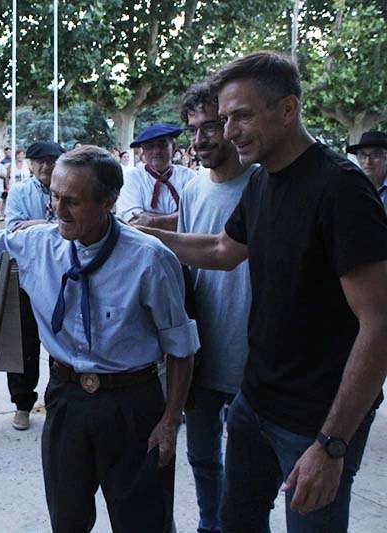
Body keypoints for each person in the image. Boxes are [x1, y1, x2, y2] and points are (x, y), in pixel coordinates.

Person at [0, 145, 199, 532]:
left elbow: (181, 347)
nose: (58, 211)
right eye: (55, 197)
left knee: (144, 521)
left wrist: (169, 421)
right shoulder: (37, 244)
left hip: (133, 404)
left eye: (73, 202)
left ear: (108, 202)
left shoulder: (150, 259)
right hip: (66, 401)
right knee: (67, 519)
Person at [140, 52, 387, 532]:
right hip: (255, 404)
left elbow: (379, 323)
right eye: (225, 118)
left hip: (316, 421)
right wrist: (138, 235)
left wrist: (332, 443)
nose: (229, 131)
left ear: (288, 109)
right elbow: (221, 249)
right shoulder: (263, 181)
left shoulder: (341, 189)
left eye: (242, 116)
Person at [174, 82, 257, 533]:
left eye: (210, 127)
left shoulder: (262, 183)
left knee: (250, 473)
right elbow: (189, 267)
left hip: (254, 356)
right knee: (202, 457)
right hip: (204, 352)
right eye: (193, 130)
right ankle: (210, 524)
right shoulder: (191, 190)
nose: (200, 139)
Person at [3, 141, 65, 430]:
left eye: (52, 159)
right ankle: (22, 405)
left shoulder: (68, 188)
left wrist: (34, 225)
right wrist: (54, 225)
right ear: (30, 163)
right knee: (24, 341)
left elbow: (77, 224)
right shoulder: (20, 192)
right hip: (27, 274)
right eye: (40, 160)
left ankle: (57, 402)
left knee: (61, 338)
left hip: (61, 274)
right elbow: (14, 231)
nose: (47, 165)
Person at [116, 123, 196, 230]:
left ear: (173, 147)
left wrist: (152, 221)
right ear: (143, 151)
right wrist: (179, 218)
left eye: (162, 145)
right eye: (150, 146)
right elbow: (134, 221)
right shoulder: (132, 178)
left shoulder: (189, 177)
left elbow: (196, 215)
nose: (156, 151)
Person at [346, 131, 387, 212]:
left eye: (375, 155)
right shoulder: (353, 187)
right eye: (362, 155)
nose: (368, 161)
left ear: (385, 157)